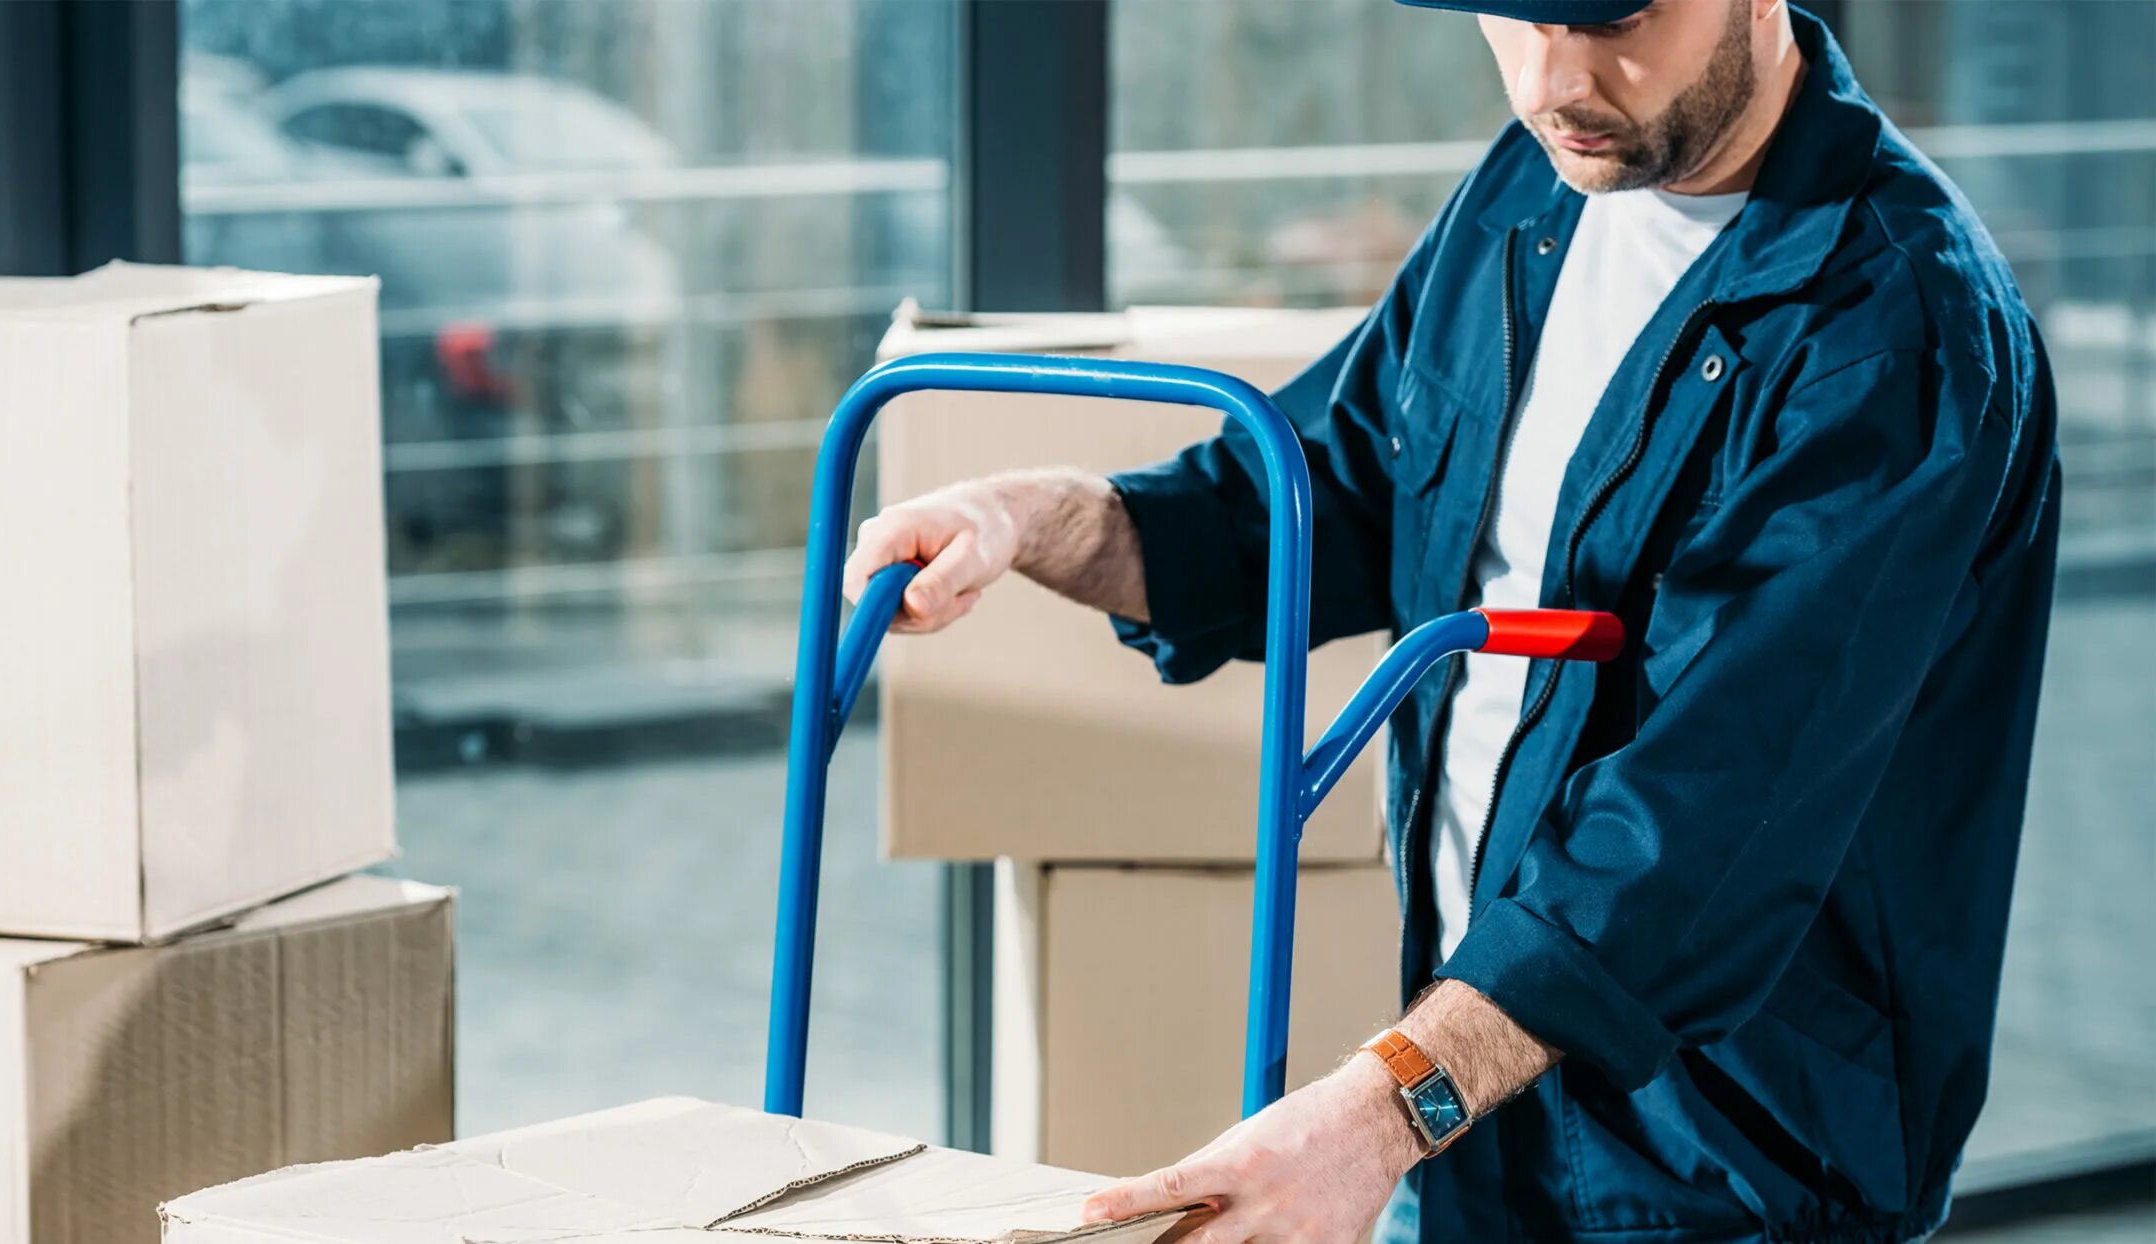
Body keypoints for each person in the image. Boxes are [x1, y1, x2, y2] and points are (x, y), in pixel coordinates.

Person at [842, 2, 2060, 1241]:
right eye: (1515, 19)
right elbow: (1346, 482)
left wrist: (1377, 1112)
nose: (1553, 78)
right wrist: (1040, 516)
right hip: (1485, 1111)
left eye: (1609, 19)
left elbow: (1706, 820)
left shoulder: (1892, 327)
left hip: (1729, 1169)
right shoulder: (1535, 193)